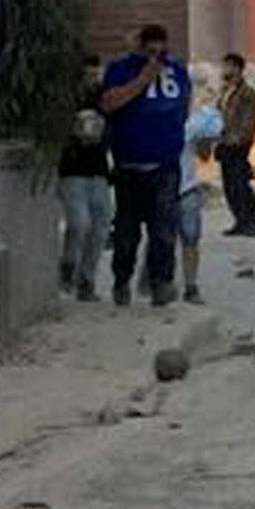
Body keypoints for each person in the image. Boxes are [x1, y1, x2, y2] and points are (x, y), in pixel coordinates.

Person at [99, 24, 191, 308]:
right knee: (127, 233)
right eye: (150, 50)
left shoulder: (176, 70)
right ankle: (122, 281)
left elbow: (184, 105)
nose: (156, 55)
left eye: (160, 49)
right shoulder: (121, 68)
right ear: (140, 47)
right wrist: (142, 80)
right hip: (129, 166)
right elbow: (109, 104)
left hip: (164, 165)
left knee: (164, 230)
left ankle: (160, 284)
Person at [57, 56, 113, 302]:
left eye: (95, 75)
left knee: (101, 226)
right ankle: (68, 265)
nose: (93, 81)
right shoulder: (64, 99)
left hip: (99, 170)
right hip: (72, 170)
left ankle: (86, 279)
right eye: (88, 76)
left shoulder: (104, 99)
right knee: (79, 223)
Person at [177, 106, 223, 305]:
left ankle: (190, 286)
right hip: (171, 188)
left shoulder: (191, 128)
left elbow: (204, 155)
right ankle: (175, 284)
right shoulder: (188, 129)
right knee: (181, 240)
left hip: (185, 188)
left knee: (190, 239)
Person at [216, 53, 255, 237]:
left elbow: (249, 120)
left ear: (237, 68)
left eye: (228, 66)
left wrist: (241, 140)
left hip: (238, 144)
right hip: (224, 143)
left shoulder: (248, 93)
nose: (225, 70)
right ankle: (240, 221)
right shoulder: (224, 91)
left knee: (240, 185)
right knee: (230, 186)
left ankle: (253, 221)